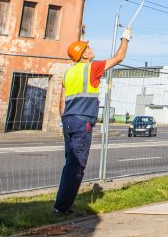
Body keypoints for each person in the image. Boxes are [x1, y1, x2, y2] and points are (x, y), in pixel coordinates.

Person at [53, 26, 131, 216]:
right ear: (82, 55)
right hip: (82, 123)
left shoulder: (68, 73)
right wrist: (125, 38)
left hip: (69, 121)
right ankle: (61, 208)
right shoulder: (92, 68)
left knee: (70, 163)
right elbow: (119, 57)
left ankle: (64, 205)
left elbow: (61, 100)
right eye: (87, 48)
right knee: (77, 164)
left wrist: (62, 122)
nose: (91, 49)